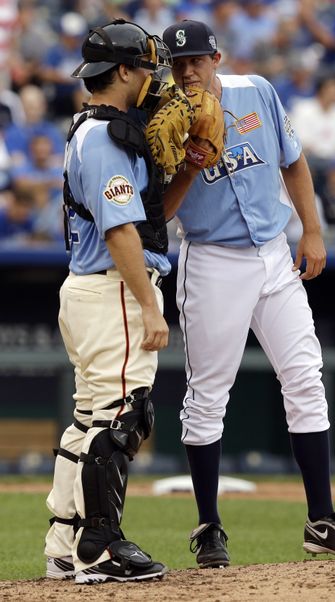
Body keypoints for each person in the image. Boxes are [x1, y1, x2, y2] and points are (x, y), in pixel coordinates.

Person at [161, 19, 335, 568]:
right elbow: (154, 215)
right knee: (208, 395)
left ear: (217, 57)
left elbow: (293, 161)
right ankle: (209, 526)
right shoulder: (160, 121)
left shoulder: (256, 90)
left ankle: (321, 520)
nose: (189, 70)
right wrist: (188, 164)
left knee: (305, 376)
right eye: (178, 63)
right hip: (212, 260)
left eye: (197, 60)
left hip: (274, 254)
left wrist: (314, 229)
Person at [44, 18, 172, 584]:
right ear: (122, 70)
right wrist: (148, 305)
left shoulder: (94, 128)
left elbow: (146, 218)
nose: (152, 78)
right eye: (146, 67)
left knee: (90, 418)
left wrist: (188, 166)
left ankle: (66, 542)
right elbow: (123, 234)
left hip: (91, 289)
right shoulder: (104, 136)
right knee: (122, 415)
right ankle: (99, 547)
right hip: (113, 289)